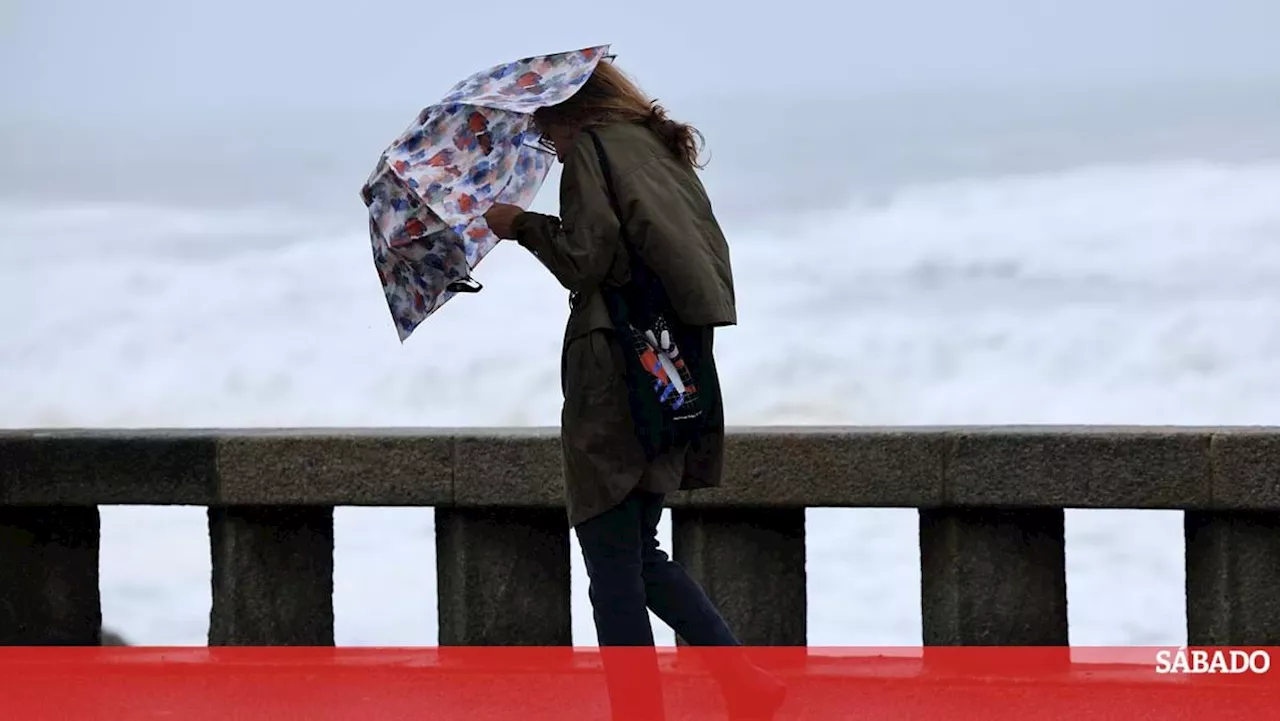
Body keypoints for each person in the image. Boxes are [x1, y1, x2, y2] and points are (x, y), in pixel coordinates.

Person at [483, 59, 785, 721]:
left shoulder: (591, 149)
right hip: (666, 367)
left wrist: (521, 225)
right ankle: (748, 685)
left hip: (614, 372)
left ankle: (643, 709)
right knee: (637, 555)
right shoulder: (654, 146)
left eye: (546, 133)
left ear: (571, 113)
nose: (550, 147)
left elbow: (586, 259)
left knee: (612, 570)